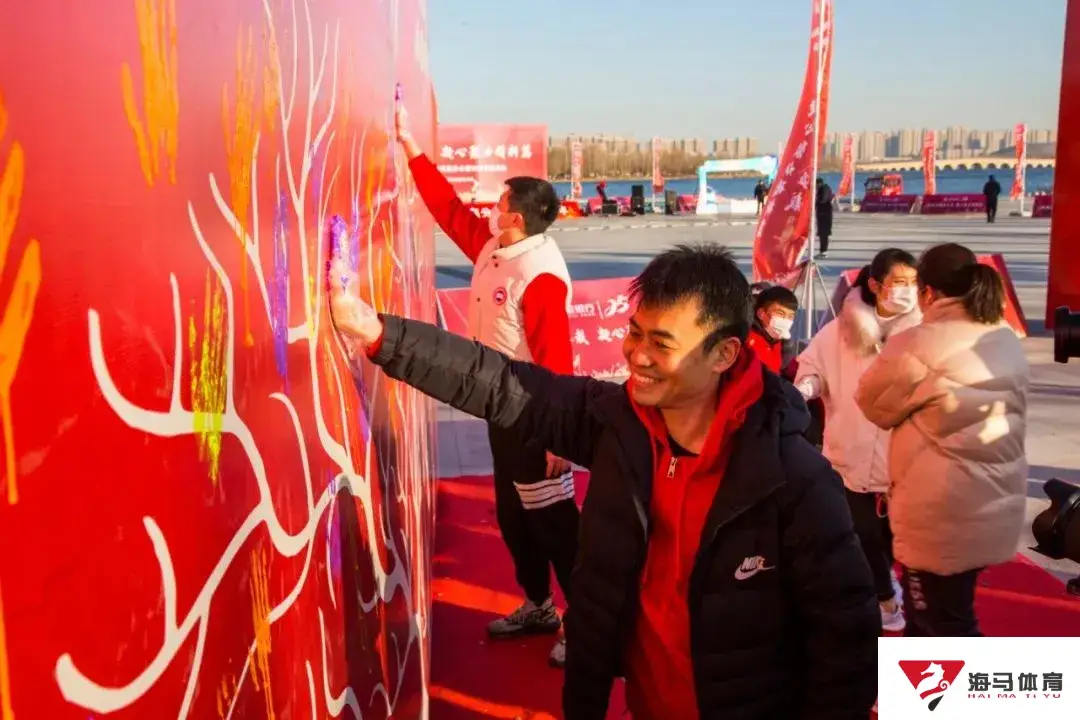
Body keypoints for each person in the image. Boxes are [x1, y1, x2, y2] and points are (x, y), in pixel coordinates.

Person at [329, 244, 880, 719]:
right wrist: (376, 333)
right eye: (634, 332)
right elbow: (499, 382)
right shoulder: (617, 425)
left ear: (724, 354)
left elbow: (847, 640)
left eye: (661, 343)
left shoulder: (795, 479)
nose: (637, 355)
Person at [396, 105, 577, 665]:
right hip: (502, 410)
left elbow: (557, 362)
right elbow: (449, 210)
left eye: (499, 203)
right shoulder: (493, 247)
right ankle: (539, 605)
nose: (489, 208)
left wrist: (559, 436)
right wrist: (410, 149)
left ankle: (586, 621)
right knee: (514, 517)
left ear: (515, 218)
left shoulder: (538, 275)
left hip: (534, 416)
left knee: (554, 524)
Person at [855, 243, 1029, 637]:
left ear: (928, 293)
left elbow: (872, 403)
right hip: (993, 503)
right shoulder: (1003, 336)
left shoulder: (920, 343)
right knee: (933, 618)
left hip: (941, 514)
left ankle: (972, 680)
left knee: (945, 625)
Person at [793, 248, 923, 634]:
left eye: (913, 283)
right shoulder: (840, 330)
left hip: (905, 461)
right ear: (876, 285)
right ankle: (884, 601)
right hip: (850, 453)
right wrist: (805, 388)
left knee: (892, 541)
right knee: (861, 534)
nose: (907, 291)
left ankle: (887, 585)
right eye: (899, 282)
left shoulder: (925, 333)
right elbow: (813, 368)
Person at [745, 284, 797, 373]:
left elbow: (790, 368)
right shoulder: (746, 342)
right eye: (780, 313)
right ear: (761, 314)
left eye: (790, 316)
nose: (785, 320)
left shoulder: (780, 341)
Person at [815, 178, 834, 257]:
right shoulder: (824, 188)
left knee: (824, 233)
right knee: (822, 234)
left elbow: (823, 199)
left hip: (825, 214)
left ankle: (824, 251)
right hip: (823, 214)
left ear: (819, 183)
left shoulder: (824, 189)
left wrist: (815, 199)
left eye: (816, 185)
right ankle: (822, 251)